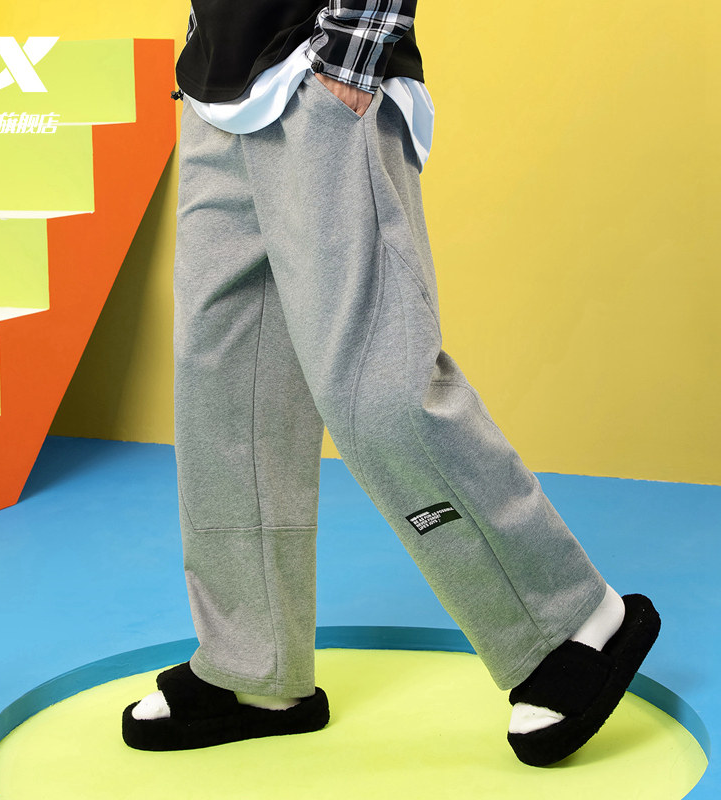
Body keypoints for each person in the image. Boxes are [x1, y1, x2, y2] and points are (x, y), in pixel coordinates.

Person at [122, 1, 660, 767]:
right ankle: (252, 670)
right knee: (225, 396)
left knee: (379, 389)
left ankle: (569, 622)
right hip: (217, 83)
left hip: (321, 70)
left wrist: (350, 55)